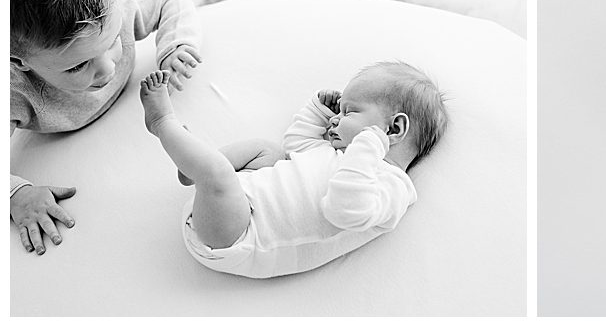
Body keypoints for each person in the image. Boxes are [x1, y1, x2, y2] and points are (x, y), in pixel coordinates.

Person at [140, 60, 448, 278]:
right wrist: (316, 110)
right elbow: (296, 145)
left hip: (240, 237)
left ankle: (163, 124)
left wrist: (367, 149)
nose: (335, 120)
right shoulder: (334, 151)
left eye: (349, 111)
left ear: (394, 129)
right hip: (240, 200)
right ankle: (195, 169)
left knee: (219, 175)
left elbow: (345, 211)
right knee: (269, 151)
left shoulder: (392, 187)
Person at [9, 0, 202, 255]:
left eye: (113, 42)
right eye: (78, 67)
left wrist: (176, 45)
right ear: (20, 63)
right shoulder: (15, 93)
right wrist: (17, 194)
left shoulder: (114, 15)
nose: (107, 69)